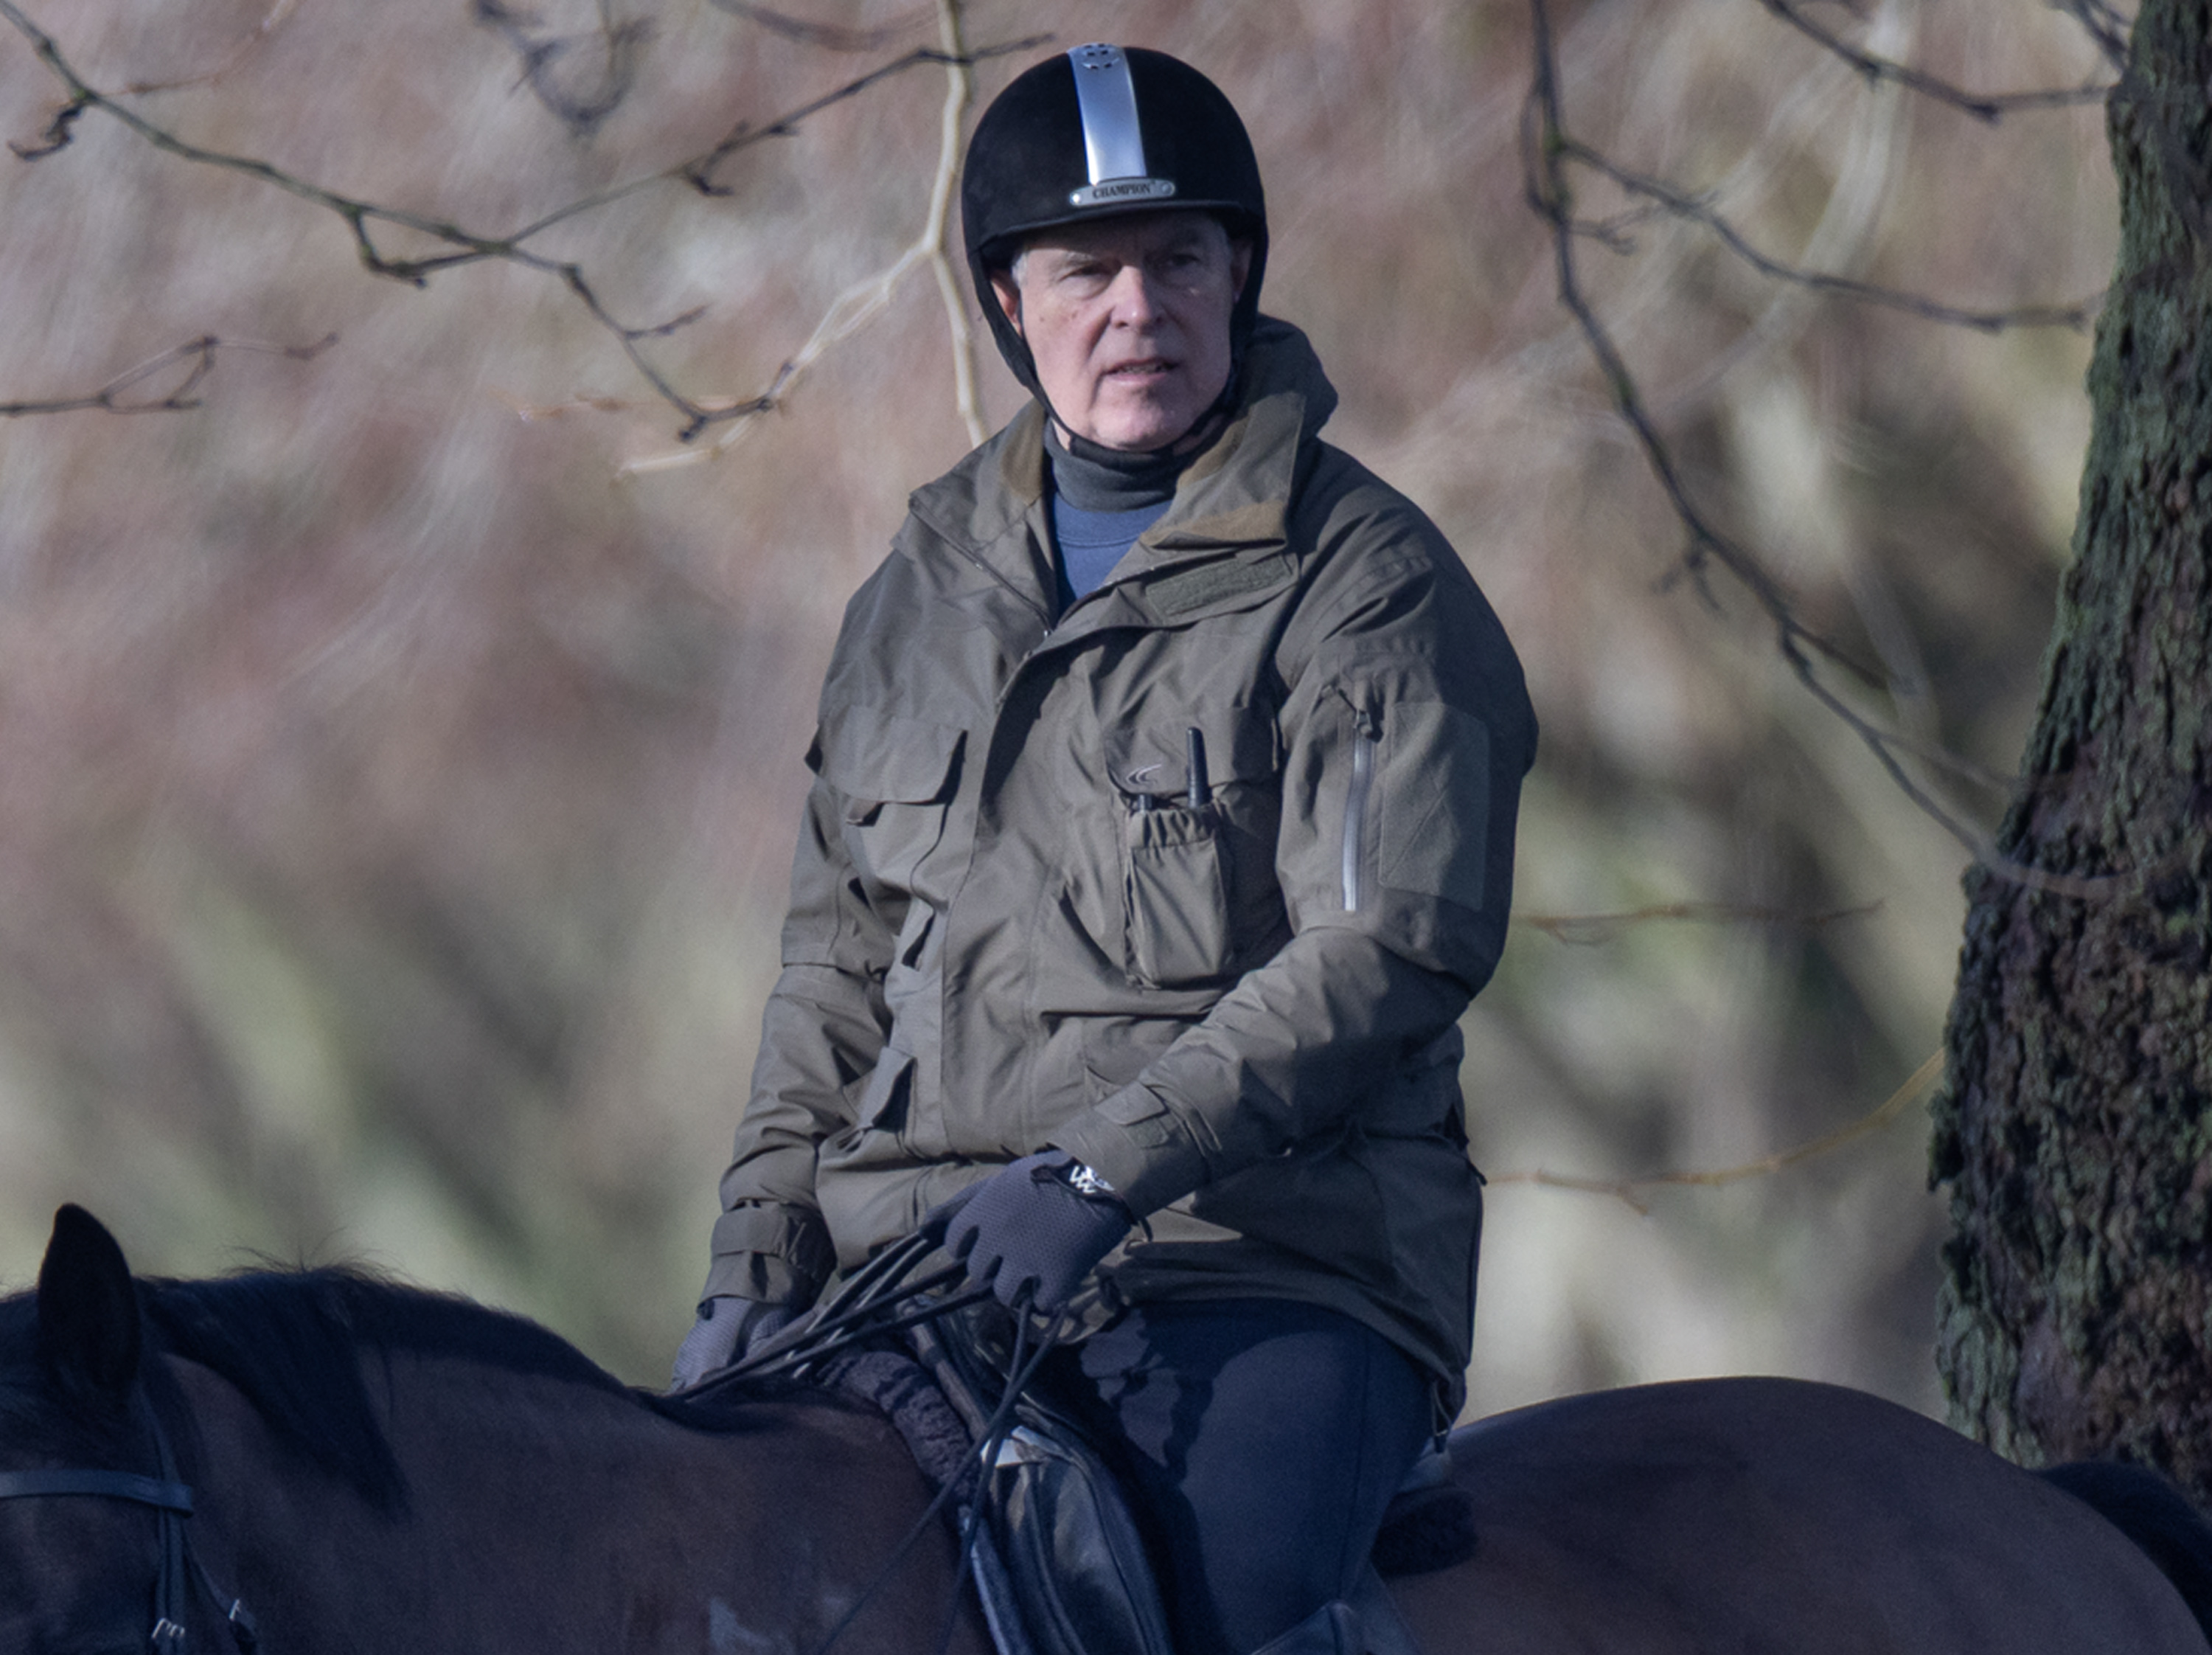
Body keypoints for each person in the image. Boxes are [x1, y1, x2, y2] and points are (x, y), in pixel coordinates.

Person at [673, 43, 1535, 1655]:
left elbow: (1390, 946)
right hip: (914, 1270)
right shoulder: (911, 601)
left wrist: (1095, 1177)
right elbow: (836, 973)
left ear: (1239, 276)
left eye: (1177, 260)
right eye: (1087, 272)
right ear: (1010, 303)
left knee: (1205, 1620)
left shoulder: (1367, 584)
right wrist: (753, 1266)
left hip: (1261, 1266)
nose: (1139, 310)